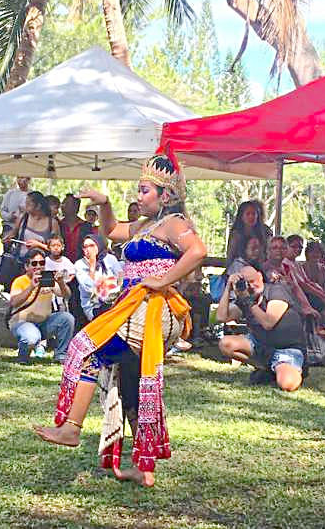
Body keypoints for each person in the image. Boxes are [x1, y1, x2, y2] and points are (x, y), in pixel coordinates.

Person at [34, 154, 207, 488]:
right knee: (131, 384)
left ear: (165, 196)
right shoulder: (144, 225)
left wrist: (163, 279)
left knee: (90, 351)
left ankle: (71, 428)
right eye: (138, 190)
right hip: (134, 309)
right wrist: (104, 203)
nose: (139, 196)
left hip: (152, 311)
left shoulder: (173, 223)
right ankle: (144, 469)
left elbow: (197, 251)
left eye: (145, 191)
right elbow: (112, 231)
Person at [217, 266, 306, 390]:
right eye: (246, 284)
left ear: (260, 276)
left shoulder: (276, 291)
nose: (251, 286)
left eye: (252, 281)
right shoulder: (247, 297)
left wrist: (248, 301)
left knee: (287, 384)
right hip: (260, 345)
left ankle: (290, 369)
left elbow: (268, 323)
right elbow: (221, 317)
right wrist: (228, 287)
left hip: (286, 349)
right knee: (226, 344)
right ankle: (266, 369)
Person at [9, 248, 74, 362]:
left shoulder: (47, 279)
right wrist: (31, 287)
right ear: (26, 267)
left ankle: (60, 355)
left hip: (44, 323)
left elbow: (67, 295)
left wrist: (61, 283)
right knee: (32, 337)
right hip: (22, 323)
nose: (38, 266)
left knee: (67, 318)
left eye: (42, 263)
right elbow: (14, 302)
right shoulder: (20, 281)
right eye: (34, 263)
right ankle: (23, 356)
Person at [74, 233, 123, 321]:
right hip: (95, 306)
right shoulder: (79, 265)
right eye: (85, 247)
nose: (88, 249)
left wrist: (119, 292)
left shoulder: (110, 258)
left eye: (91, 246)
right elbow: (89, 288)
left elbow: (120, 276)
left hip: (114, 299)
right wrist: (92, 266)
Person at [226, 200, 272, 266]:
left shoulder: (264, 232)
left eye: (253, 214)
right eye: (248, 214)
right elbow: (230, 257)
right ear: (241, 216)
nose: (251, 217)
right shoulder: (236, 234)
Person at [59, 194, 96, 263]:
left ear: (76, 207)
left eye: (66, 203)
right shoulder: (59, 225)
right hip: (61, 264)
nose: (62, 206)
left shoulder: (86, 226)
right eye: (63, 203)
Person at [45, 236, 75, 313]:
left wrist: (66, 280)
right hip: (49, 293)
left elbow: (72, 273)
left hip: (63, 291)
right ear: (48, 247)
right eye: (53, 245)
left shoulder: (66, 261)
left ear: (62, 247)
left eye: (58, 245)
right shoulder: (45, 261)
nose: (56, 248)